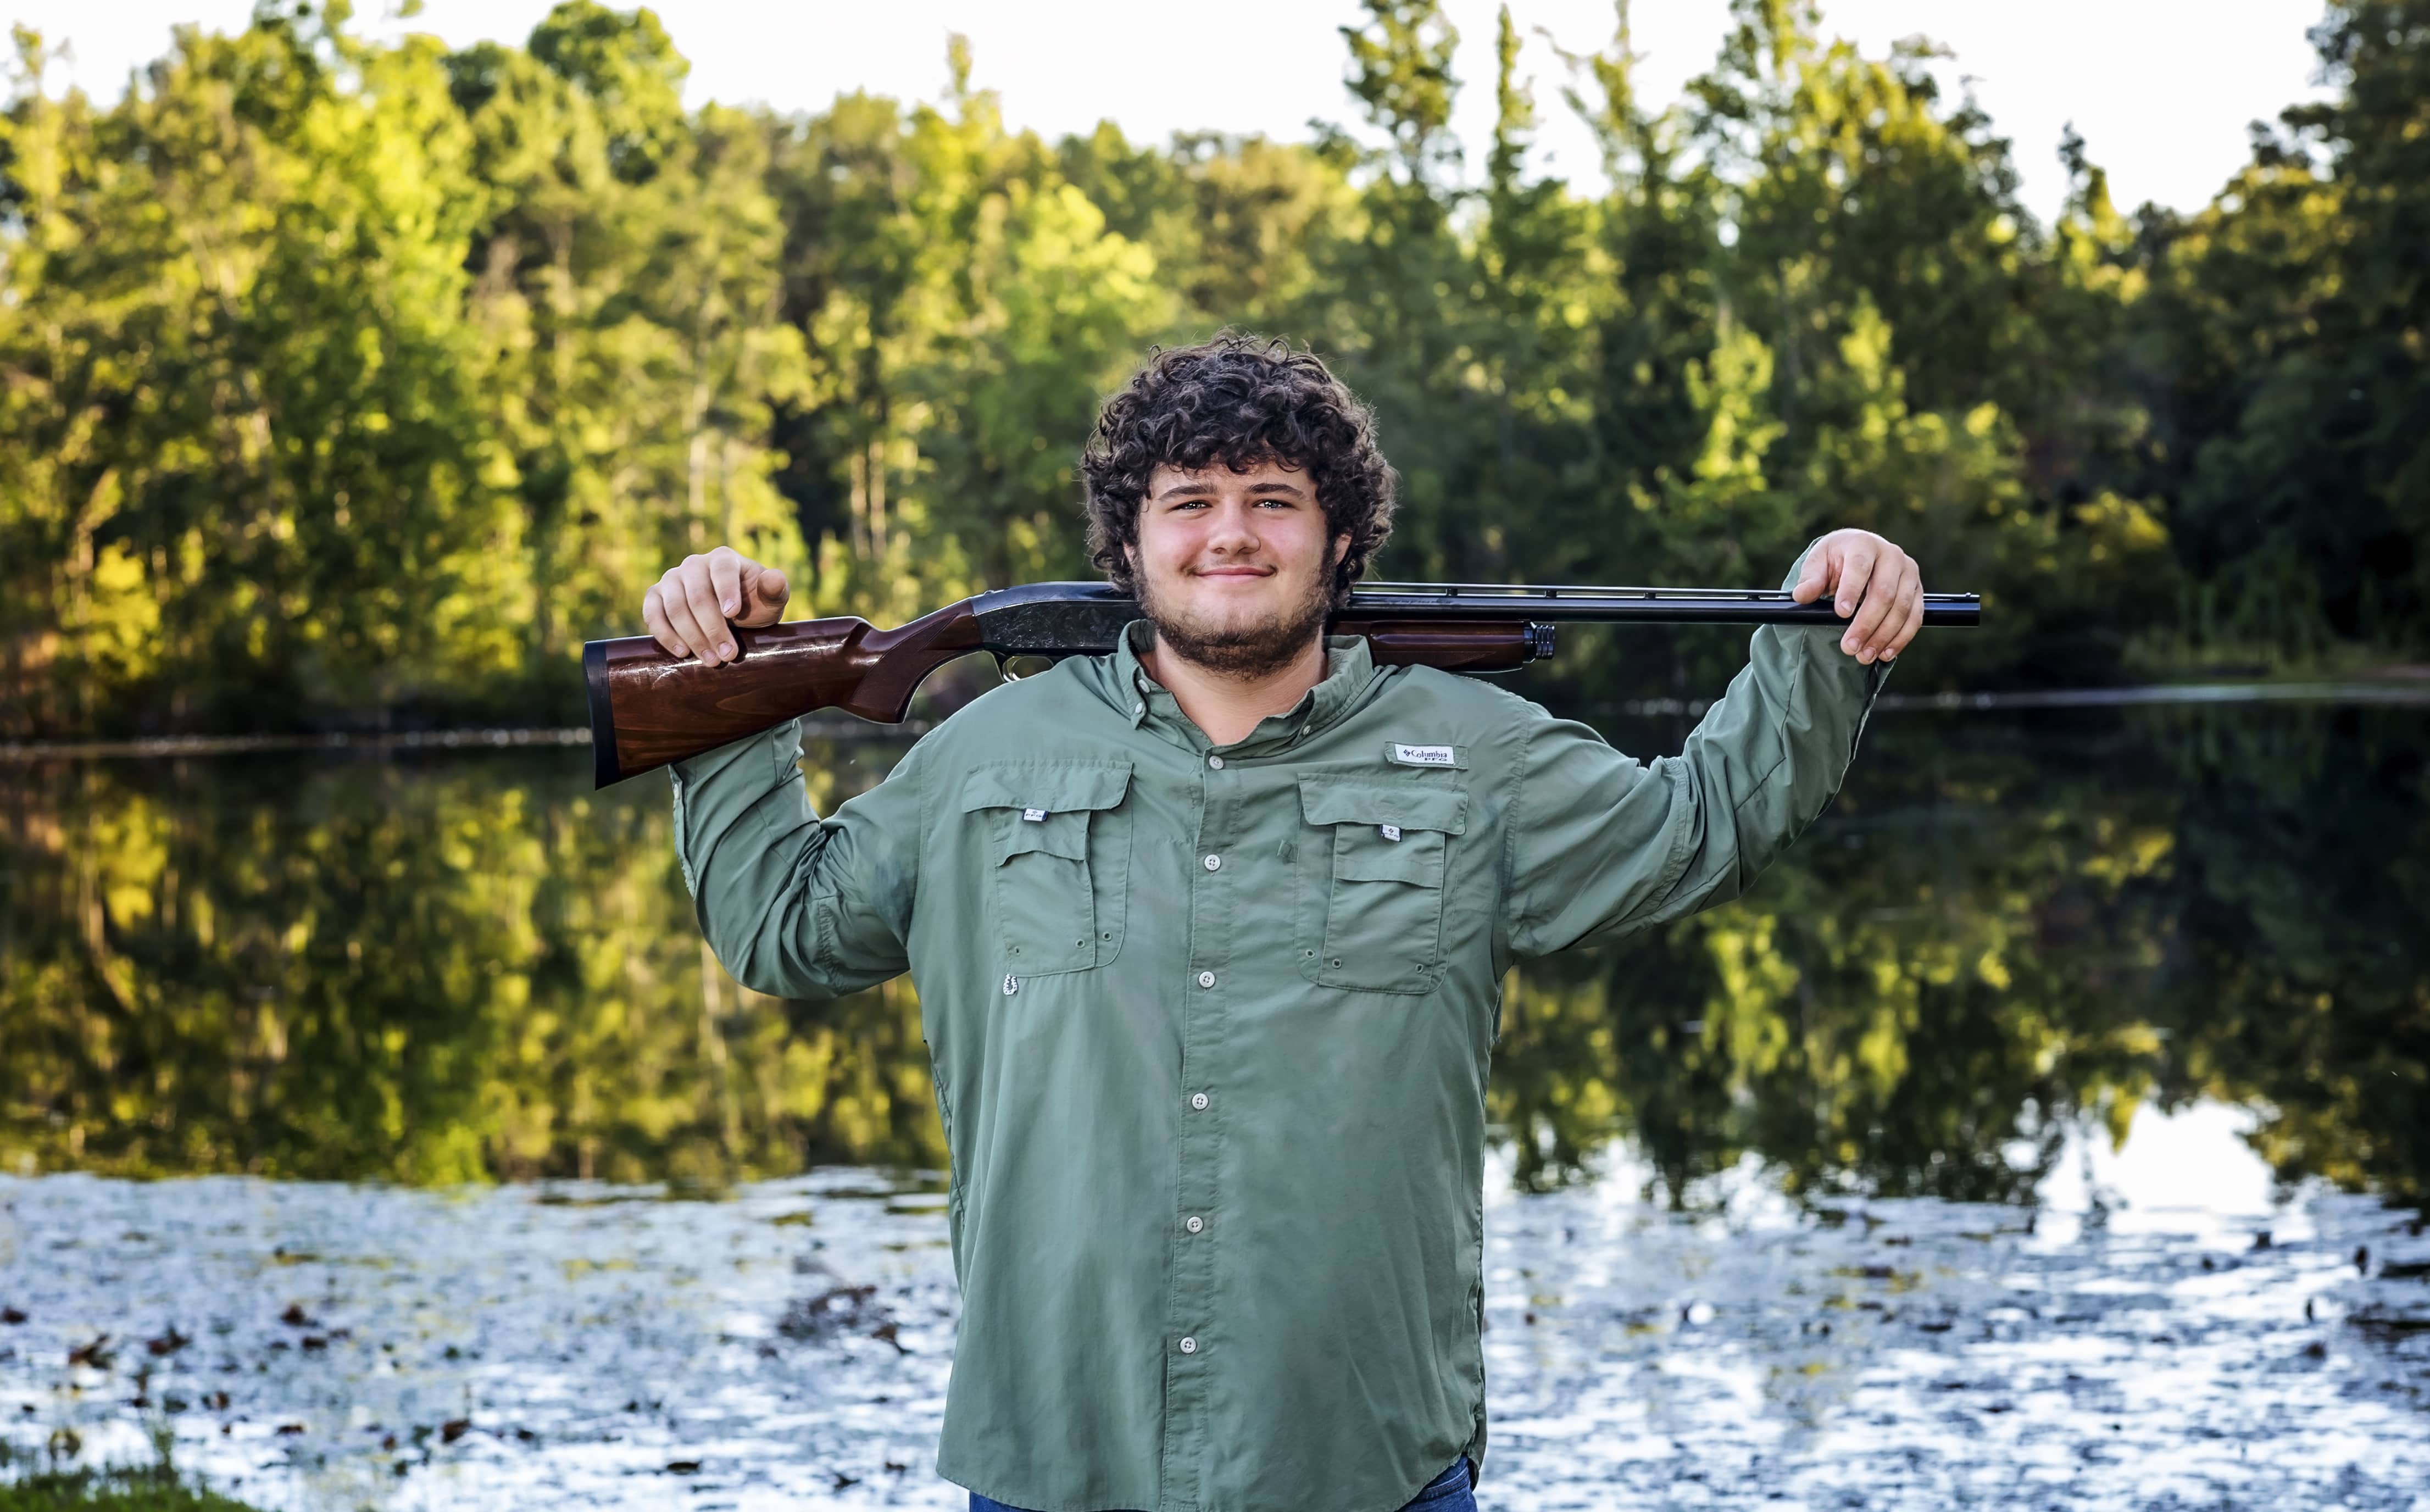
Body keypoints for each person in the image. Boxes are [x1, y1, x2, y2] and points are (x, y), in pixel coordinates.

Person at [643, 336, 1925, 1512]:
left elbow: (1696, 823)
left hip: (1364, 1458)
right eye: (1189, 501)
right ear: (1130, 544)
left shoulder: (1474, 752)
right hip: (1054, 1459)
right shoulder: (988, 749)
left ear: (1337, 536)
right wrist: (727, 690)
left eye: (1274, 499)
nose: (1231, 535)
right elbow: (784, 925)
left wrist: (1829, 625)